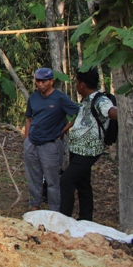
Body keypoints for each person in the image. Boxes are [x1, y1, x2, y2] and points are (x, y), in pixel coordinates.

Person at [59, 69, 118, 221]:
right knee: (83, 184)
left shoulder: (100, 101)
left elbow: (112, 112)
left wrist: (123, 113)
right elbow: (80, 117)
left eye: (77, 82)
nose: (76, 85)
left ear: (83, 84)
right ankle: (86, 219)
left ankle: (64, 219)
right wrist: (64, 130)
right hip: (77, 149)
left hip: (88, 151)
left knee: (66, 180)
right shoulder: (86, 99)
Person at [23, 67, 80, 212]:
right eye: (38, 81)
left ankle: (54, 210)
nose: (40, 84)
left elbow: (78, 113)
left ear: (51, 81)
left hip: (51, 145)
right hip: (32, 143)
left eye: (43, 81)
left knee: (52, 180)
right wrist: (27, 139)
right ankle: (35, 206)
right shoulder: (33, 98)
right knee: (33, 177)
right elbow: (29, 119)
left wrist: (63, 131)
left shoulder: (60, 98)